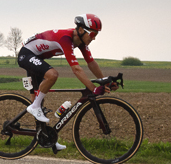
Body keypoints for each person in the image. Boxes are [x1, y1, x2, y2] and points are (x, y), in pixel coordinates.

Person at [18, 14, 117, 150]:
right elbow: (76, 69)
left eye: (96, 35)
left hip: (37, 57)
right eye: (93, 34)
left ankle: (46, 137)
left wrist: (104, 81)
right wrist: (93, 89)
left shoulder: (81, 42)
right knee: (52, 75)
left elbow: (91, 63)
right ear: (81, 30)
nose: (94, 38)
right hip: (27, 54)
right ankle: (34, 107)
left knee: (40, 100)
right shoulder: (66, 38)